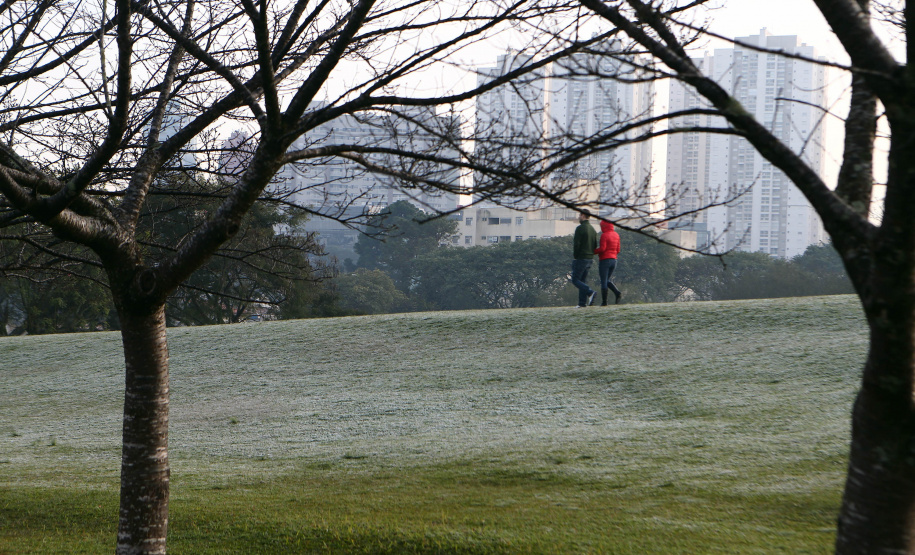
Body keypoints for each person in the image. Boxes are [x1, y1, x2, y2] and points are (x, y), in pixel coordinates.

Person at [570, 210, 598, 308]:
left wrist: (576, 256)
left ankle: (590, 292)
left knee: (575, 280)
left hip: (581, 257)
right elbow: (595, 245)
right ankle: (582, 303)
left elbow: (576, 244)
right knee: (582, 280)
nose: (578, 217)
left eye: (579, 215)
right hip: (590, 258)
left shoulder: (580, 228)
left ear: (583, 215)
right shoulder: (593, 229)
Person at [594, 220, 622, 305]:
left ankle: (604, 302)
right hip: (614, 260)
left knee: (603, 281)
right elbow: (618, 250)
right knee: (606, 280)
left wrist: (594, 251)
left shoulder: (604, 235)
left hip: (605, 260)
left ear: (604, 226)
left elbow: (602, 249)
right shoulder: (616, 235)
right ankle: (617, 293)